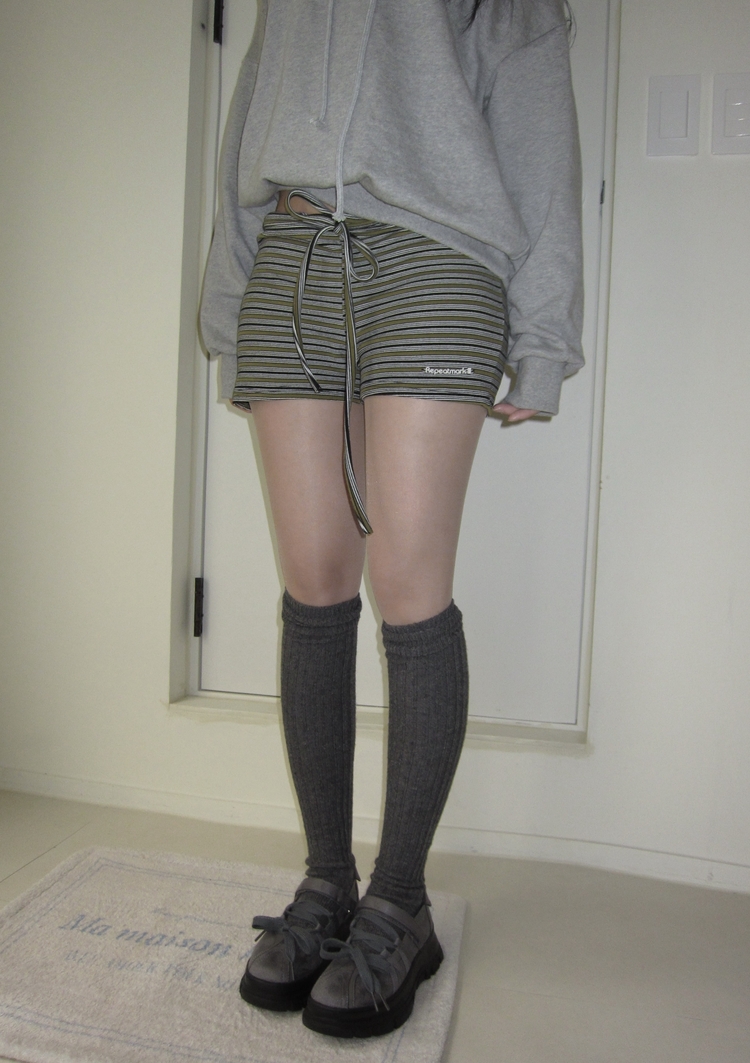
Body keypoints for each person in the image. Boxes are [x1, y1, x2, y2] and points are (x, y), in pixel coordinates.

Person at [200, 0, 583, 1039]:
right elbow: (254, 107)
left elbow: (537, 119)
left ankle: (401, 902)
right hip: (289, 254)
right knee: (315, 582)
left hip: (437, 254)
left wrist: (543, 336)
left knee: (409, 586)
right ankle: (328, 882)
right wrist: (229, 299)